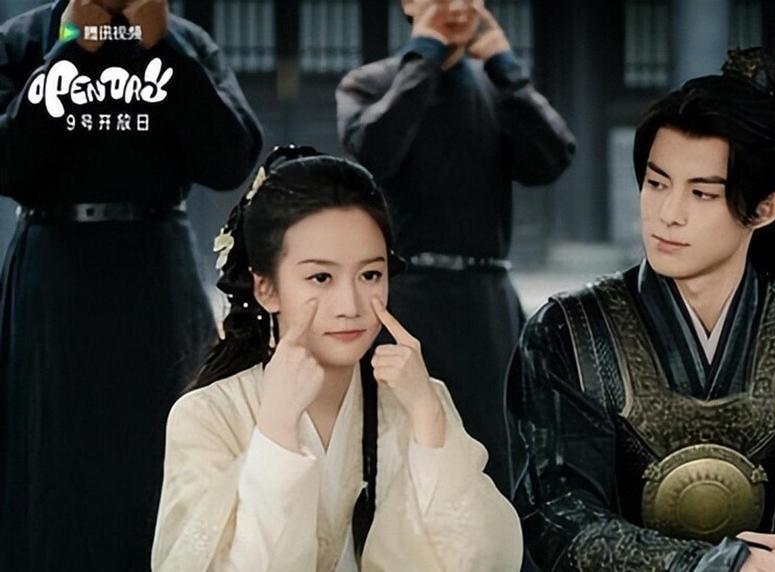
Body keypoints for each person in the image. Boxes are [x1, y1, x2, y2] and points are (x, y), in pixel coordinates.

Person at [507, 49, 775, 572]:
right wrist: (719, 566)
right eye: (656, 183)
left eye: (701, 194)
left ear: (765, 208)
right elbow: (557, 518)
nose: (668, 214)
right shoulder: (568, 332)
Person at [151, 146, 522, 571]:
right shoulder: (207, 417)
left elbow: (482, 561)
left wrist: (428, 420)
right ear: (265, 288)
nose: (350, 305)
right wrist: (275, 433)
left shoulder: (415, 398)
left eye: (370, 275)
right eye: (321, 277)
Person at [0, 0, 262, 568]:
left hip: (154, 267)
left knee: (163, 443)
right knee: (49, 455)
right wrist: (72, 49)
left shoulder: (185, 40)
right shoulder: (22, 39)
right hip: (54, 269)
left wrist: (164, 47)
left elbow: (231, 159)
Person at [336, 0, 575, 492]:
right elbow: (374, 151)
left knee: (497, 457)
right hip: (403, 299)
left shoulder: (495, 86)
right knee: (399, 458)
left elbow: (551, 159)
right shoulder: (370, 84)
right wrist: (424, 54)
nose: (461, 5)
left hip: (485, 301)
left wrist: (506, 67)